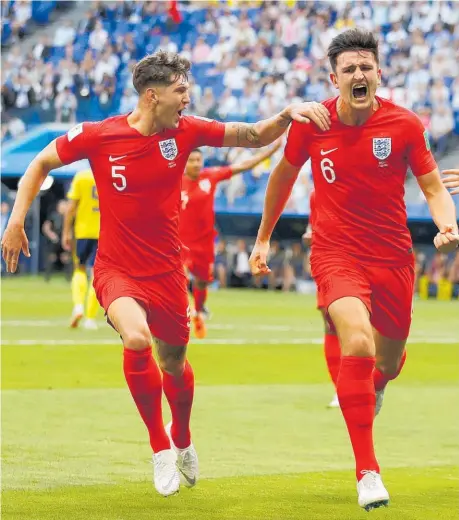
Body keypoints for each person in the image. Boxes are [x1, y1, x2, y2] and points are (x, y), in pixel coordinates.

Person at [1, 50, 331, 497]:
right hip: (116, 269)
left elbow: (252, 135)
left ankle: (183, 437)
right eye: (181, 90)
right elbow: (40, 163)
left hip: (167, 274)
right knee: (137, 340)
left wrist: (287, 114)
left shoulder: (186, 131)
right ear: (153, 96)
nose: (188, 97)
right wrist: (16, 220)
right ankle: (160, 449)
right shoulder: (100, 135)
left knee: (174, 364)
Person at [249, 29, 459, 511]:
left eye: (366, 66)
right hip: (335, 252)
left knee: (386, 362)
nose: (359, 74)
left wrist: (447, 224)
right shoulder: (312, 123)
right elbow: (282, 177)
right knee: (357, 343)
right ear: (334, 78)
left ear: (379, 73)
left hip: (393, 258)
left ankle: (377, 385)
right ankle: (367, 470)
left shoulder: (405, 125)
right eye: (350, 69)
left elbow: (431, 187)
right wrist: (263, 237)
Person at [180, 142, 280, 338]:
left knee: (201, 282)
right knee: (179, 278)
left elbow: (242, 167)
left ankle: (199, 310)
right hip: (180, 242)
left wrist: (268, 152)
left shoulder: (210, 176)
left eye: (198, 160)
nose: (195, 164)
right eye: (191, 160)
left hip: (204, 242)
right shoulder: (174, 182)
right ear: (184, 163)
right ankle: (183, 315)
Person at [302, 189, 340, 409]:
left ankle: (370, 383)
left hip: (361, 259)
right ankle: (341, 389)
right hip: (328, 262)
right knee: (331, 322)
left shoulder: (360, 186)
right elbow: (311, 228)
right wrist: (310, 236)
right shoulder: (316, 194)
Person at [62, 168, 100, 330]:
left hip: (83, 231)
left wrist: (65, 232)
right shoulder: (108, 174)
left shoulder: (82, 177)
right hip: (104, 232)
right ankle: (90, 318)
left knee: (80, 269)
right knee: (97, 274)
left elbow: (71, 208)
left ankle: (78, 306)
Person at [41, 199, 72, 281]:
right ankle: (47, 278)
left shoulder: (69, 217)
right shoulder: (53, 216)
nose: (63, 208)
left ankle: (68, 279)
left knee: (66, 258)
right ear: (58, 207)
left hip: (65, 240)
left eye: (65, 206)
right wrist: (51, 235)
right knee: (52, 258)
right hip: (55, 241)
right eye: (62, 206)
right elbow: (46, 227)